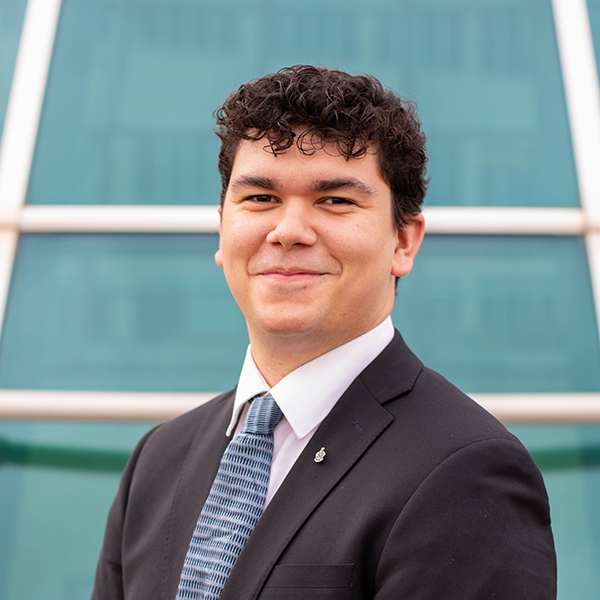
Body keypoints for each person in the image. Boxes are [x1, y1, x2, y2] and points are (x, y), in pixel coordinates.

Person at [91, 65, 556, 600]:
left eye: (335, 200)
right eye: (260, 199)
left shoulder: (468, 472)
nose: (288, 231)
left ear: (404, 241)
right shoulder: (158, 459)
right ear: (222, 229)